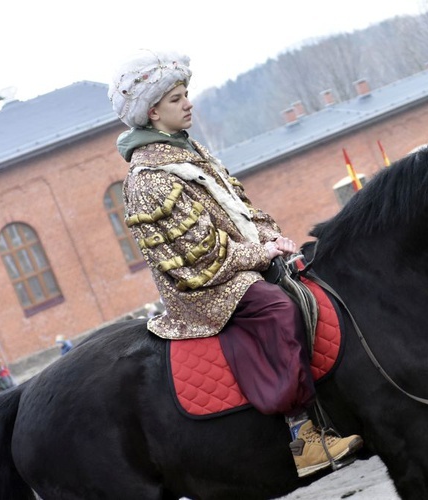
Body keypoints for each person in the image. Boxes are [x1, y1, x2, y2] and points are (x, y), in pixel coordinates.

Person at [108, 50, 361, 477]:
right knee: (276, 308)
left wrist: (272, 237)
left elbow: (240, 212)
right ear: (151, 113)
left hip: (240, 263)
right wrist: (261, 254)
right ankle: (302, 434)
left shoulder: (190, 152)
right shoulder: (149, 179)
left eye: (186, 94)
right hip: (203, 289)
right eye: (175, 99)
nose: (188, 103)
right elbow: (201, 257)